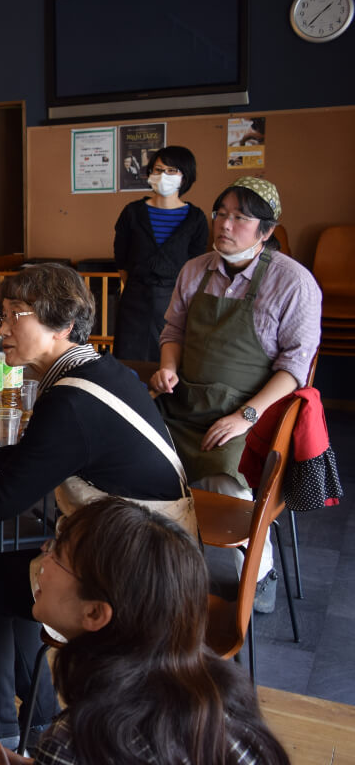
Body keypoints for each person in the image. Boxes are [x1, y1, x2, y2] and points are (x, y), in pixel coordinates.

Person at [0, 263, 191, 750]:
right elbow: (40, 454)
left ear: (61, 325)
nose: (1, 329)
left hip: (137, 572)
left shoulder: (70, 401)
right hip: (158, 551)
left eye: (14, 316)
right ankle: (29, 723)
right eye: (1, 316)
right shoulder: (96, 370)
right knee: (10, 579)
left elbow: (2, 501)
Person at [0, 498, 290, 765]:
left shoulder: (80, 739)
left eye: (55, 554)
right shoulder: (218, 698)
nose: (42, 561)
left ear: (94, 613)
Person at [153, 176, 321, 611]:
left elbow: (294, 369)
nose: (225, 225)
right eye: (220, 213)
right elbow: (172, 332)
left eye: (240, 217)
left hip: (251, 411)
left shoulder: (294, 283)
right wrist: (168, 368)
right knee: (137, 457)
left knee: (229, 479)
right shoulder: (195, 270)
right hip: (185, 403)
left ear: (266, 231)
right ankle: (163, 570)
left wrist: (244, 416)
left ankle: (257, 575)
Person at [112, 145, 209, 361]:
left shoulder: (196, 218)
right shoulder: (132, 213)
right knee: (129, 363)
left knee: (168, 363)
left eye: (172, 170)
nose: (163, 175)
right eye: (158, 170)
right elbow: (122, 260)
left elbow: (196, 266)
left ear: (185, 177)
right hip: (135, 301)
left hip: (175, 303)